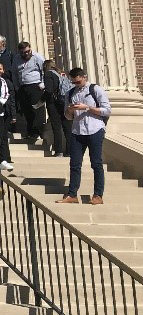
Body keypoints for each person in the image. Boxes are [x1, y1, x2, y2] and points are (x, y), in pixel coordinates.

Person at [56, 68, 111, 205]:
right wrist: (70, 110)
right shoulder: (70, 93)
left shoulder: (95, 89)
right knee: (74, 164)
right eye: (73, 82)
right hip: (77, 131)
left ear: (84, 77)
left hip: (95, 129)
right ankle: (72, 194)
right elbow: (67, 117)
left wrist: (87, 107)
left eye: (78, 81)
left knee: (96, 163)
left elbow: (107, 110)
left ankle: (98, 195)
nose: (76, 84)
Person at [13, 41, 47, 145]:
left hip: (36, 86)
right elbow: (15, 73)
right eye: (23, 52)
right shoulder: (16, 59)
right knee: (26, 110)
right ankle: (31, 132)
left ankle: (38, 131)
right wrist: (17, 86)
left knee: (37, 109)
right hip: (23, 87)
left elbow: (45, 70)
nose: (26, 54)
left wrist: (43, 83)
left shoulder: (37, 57)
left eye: (27, 51)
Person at [43, 60, 72, 157]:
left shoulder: (48, 74)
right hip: (64, 101)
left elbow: (49, 90)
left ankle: (58, 150)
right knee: (67, 126)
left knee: (56, 126)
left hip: (53, 103)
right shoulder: (61, 74)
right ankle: (69, 151)